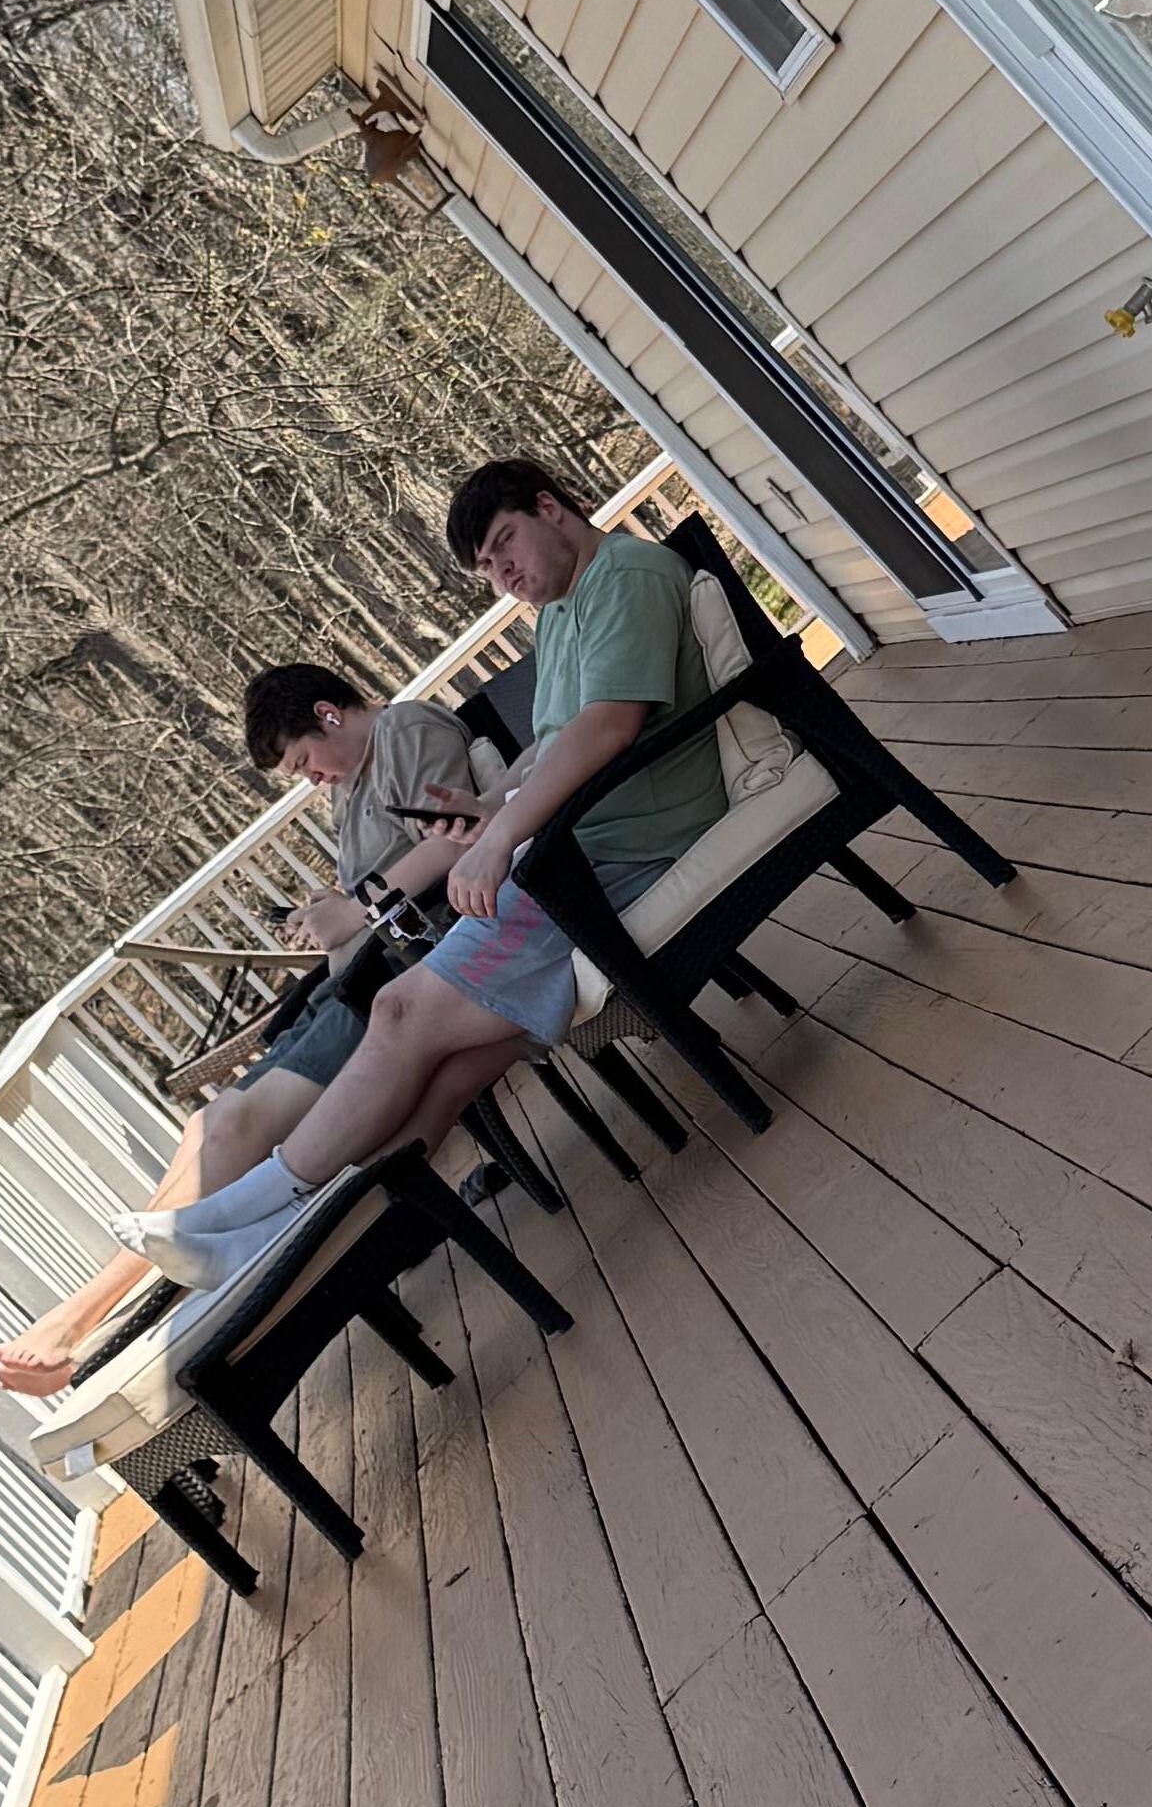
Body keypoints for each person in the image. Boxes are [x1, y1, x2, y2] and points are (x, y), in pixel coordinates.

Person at [131, 457, 732, 1305]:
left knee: (399, 1008)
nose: (503, 575)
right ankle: (299, 1242)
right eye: (486, 567)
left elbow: (607, 726)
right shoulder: (563, 613)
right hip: (579, 848)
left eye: (504, 545)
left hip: (612, 853)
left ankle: (260, 1210)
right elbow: (557, 740)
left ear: (552, 509)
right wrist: (492, 805)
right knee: (449, 1070)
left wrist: (497, 842)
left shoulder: (623, 577)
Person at [0, 660, 509, 1398]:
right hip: (352, 984)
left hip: (396, 980)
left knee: (235, 1126)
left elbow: (460, 838)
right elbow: (384, 874)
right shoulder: (353, 787)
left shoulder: (406, 731)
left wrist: (355, 910)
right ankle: (111, 1305)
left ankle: (94, 1320)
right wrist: (328, 911)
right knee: (208, 1125)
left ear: (329, 715)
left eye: (303, 762)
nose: (311, 780)